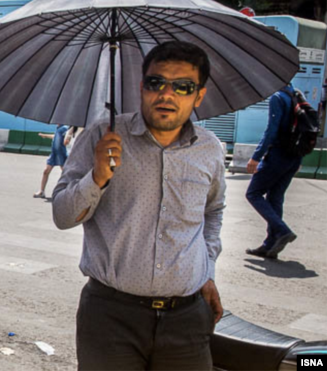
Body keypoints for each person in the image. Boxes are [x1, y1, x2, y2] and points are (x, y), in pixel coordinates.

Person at [52, 41, 225, 371]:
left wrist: (208, 271)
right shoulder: (103, 135)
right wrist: (97, 176)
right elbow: (62, 215)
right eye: (155, 82)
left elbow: (212, 212)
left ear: (198, 95)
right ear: (141, 86)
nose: (166, 95)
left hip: (187, 319)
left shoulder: (210, 149)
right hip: (110, 318)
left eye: (183, 87)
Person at [244, 84, 302, 259]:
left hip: (278, 155)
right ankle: (271, 244)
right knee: (275, 197)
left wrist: (256, 157)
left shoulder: (278, 97)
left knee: (253, 193)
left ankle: (282, 230)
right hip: (294, 156)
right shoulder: (296, 95)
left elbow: (271, 131)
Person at [33, 124, 70, 199]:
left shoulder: (64, 128)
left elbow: (68, 137)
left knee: (66, 174)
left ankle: (68, 192)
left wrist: (67, 140)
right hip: (54, 153)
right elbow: (55, 137)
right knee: (46, 171)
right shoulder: (59, 128)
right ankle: (41, 191)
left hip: (61, 154)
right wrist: (45, 135)